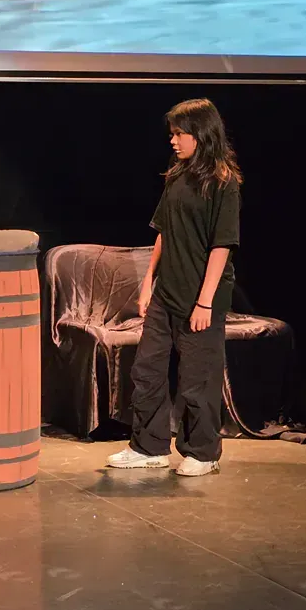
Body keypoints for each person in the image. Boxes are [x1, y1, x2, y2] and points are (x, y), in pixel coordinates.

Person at [108, 98, 242, 477]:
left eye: (180, 133)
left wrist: (205, 302)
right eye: (172, 134)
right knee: (146, 370)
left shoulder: (223, 183)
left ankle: (203, 452)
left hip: (201, 296)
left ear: (201, 133)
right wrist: (147, 283)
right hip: (166, 292)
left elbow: (222, 246)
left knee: (198, 378)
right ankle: (149, 447)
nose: (173, 140)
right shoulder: (177, 175)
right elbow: (164, 233)